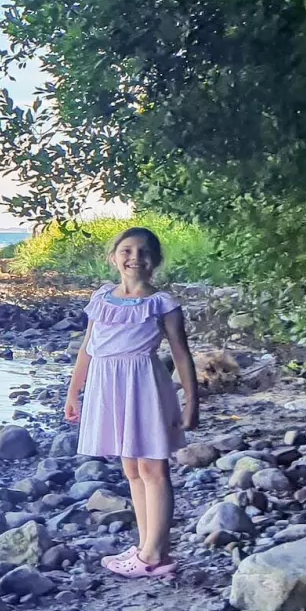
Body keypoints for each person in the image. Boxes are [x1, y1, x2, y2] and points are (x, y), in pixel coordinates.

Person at [64, 226, 200, 577]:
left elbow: (182, 356)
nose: (134, 258)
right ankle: (147, 546)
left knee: (153, 468)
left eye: (143, 252)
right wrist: (73, 391)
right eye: (126, 250)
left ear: (155, 261)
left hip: (144, 386)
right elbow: (88, 348)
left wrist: (191, 403)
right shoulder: (102, 298)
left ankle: (154, 555)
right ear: (113, 257)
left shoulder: (162, 304)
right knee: (131, 469)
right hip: (108, 388)